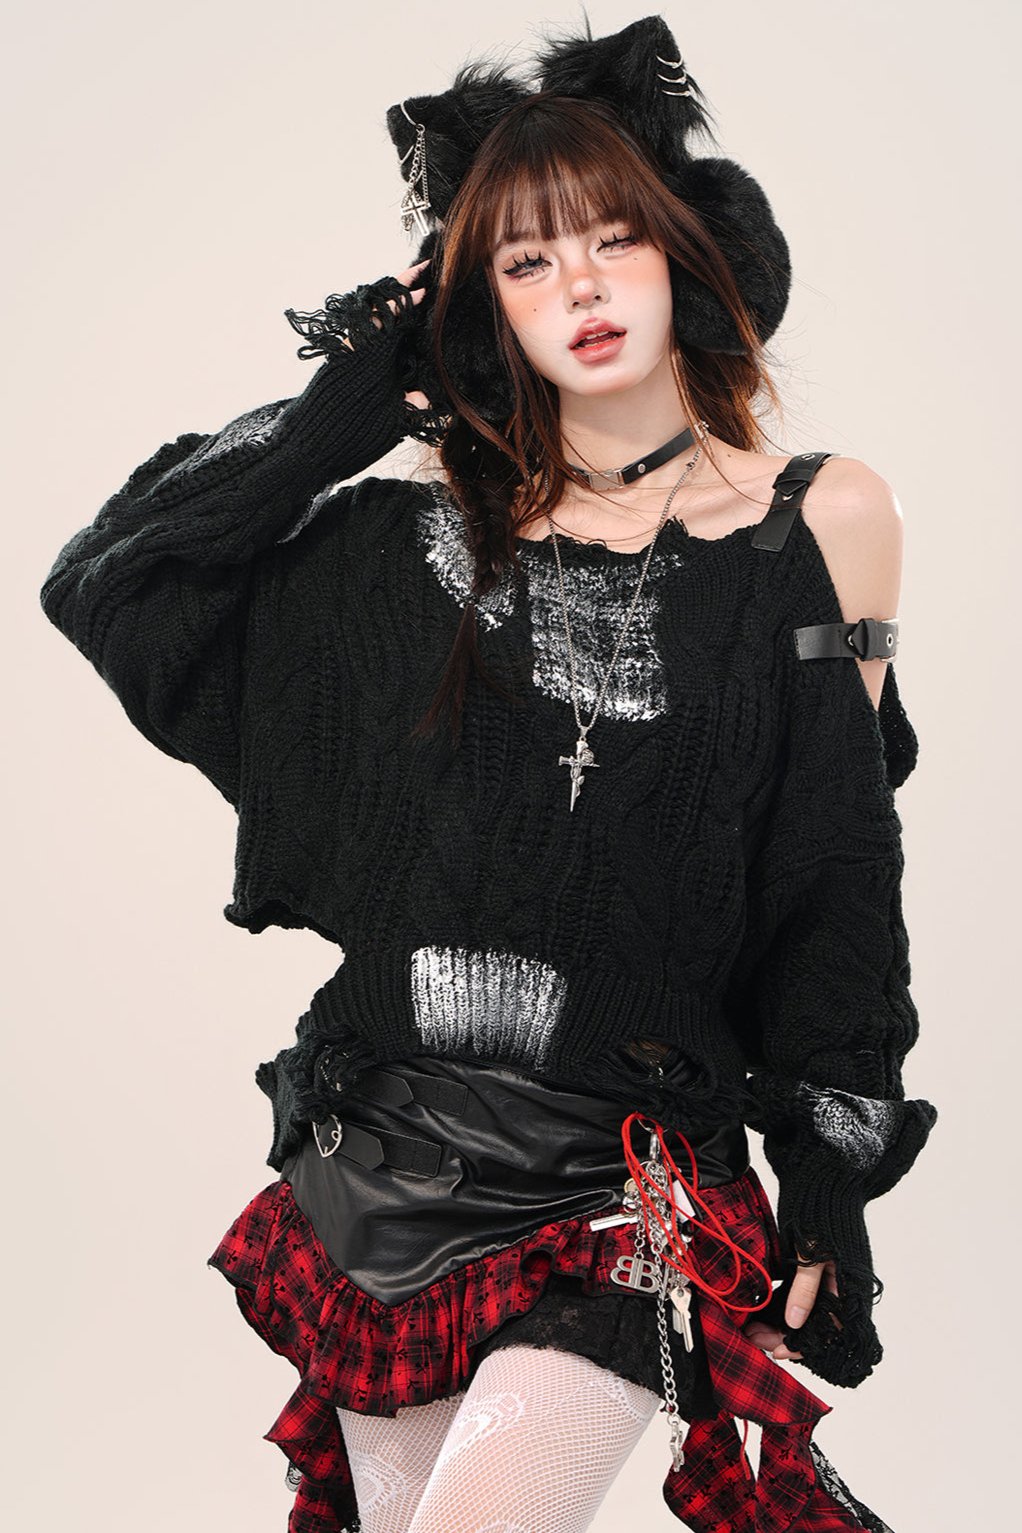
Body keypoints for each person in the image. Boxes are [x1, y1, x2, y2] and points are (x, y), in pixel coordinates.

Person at [38, 14, 938, 1533]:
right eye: (526, 261)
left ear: (683, 253)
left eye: (611, 239)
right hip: (386, 1156)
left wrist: (829, 1171)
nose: (579, 285)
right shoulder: (409, 547)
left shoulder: (822, 522)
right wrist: (341, 414)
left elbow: (837, 864)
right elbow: (113, 582)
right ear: (479, 307)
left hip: (625, 1180)